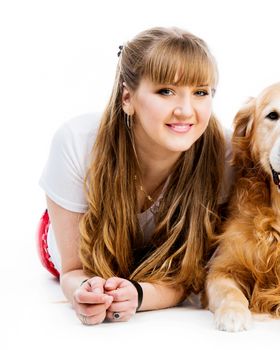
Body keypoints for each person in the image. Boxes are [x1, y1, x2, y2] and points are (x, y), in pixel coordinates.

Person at [38, 27, 232, 325]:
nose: (185, 110)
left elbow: (189, 276)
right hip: (80, 235)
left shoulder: (225, 154)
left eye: (201, 92)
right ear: (127, 97)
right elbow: (74, 270)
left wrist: (138, 296)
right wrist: (87, 293)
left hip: (160, 256)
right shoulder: (77, 141)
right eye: (166, 91)